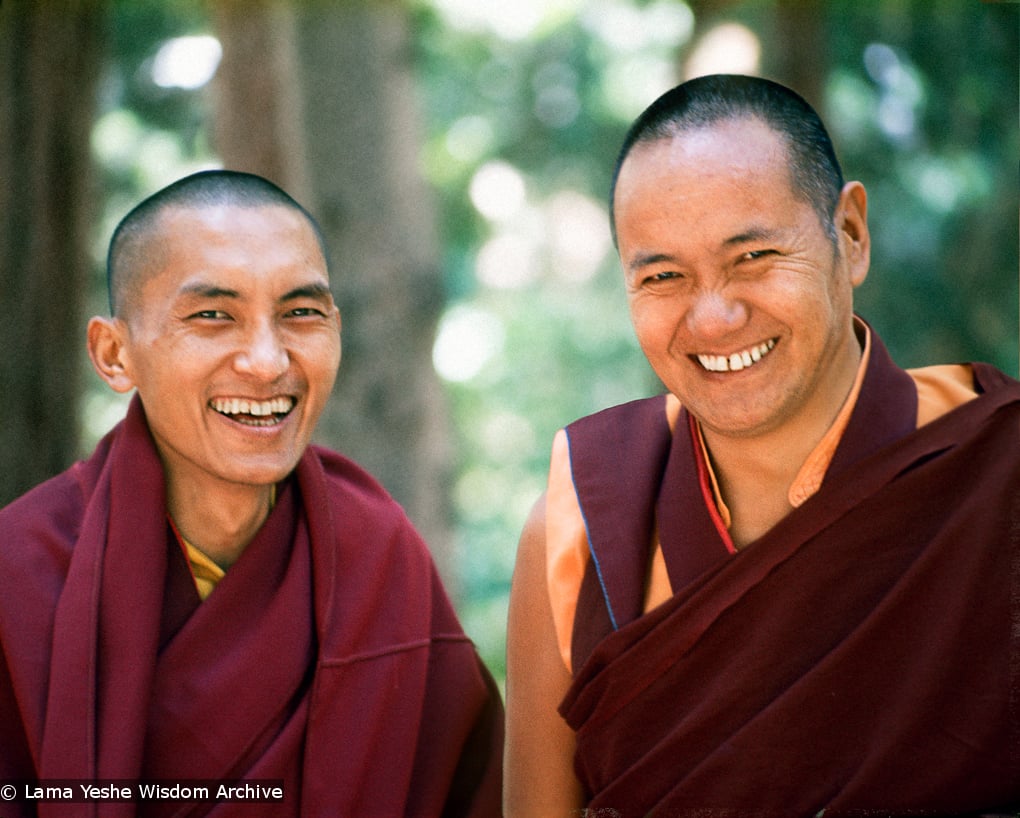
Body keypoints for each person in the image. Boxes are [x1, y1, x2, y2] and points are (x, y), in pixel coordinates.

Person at [504, 74, 1020, 816]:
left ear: (850, 235)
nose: (712, 317)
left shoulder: (996, 472)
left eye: (753, 258)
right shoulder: (580, 528)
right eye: (663, 276)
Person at [0, 170, 503, 817]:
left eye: (301, 314)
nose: (267, 361)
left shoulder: (377, 556)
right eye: (213, 315)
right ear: (114, 352)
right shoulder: (20, 568)